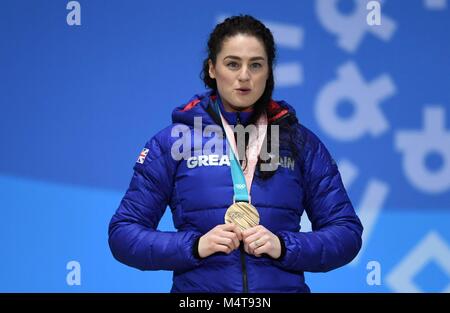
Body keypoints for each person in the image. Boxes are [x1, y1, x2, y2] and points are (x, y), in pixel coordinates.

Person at [108, 14, 363, 293]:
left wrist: (284, 246)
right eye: (232, 64)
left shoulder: (301, 143)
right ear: (212, 69)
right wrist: (194, 245)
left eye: (256, 65)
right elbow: (123, 234)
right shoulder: (171, 143)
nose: (244, 76)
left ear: (269, 72)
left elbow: (346, 233)